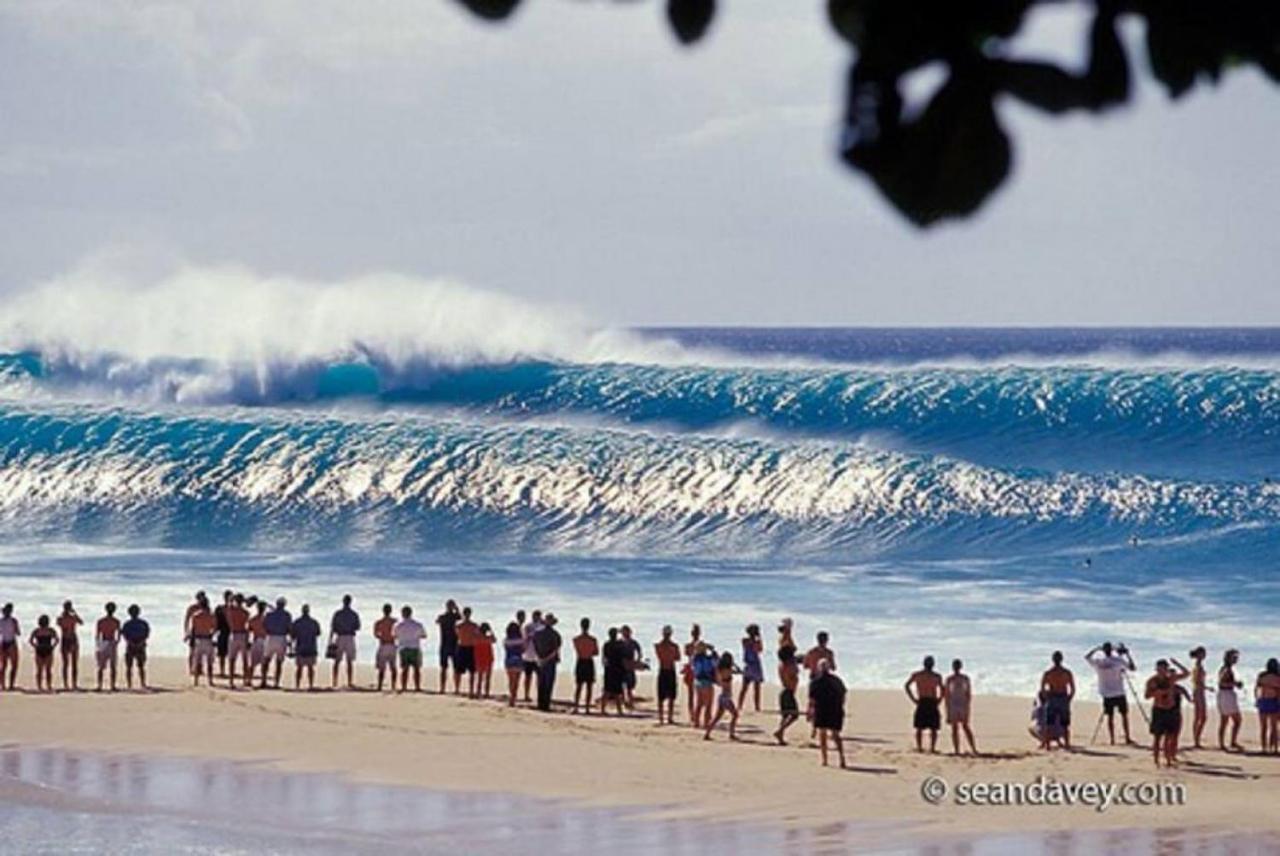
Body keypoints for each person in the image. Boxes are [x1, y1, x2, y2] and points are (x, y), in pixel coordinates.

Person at [1084, 641, 1136, 745]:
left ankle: (1112, 739)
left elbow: (1087, 657)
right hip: (1119, 692)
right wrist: (1127, 654)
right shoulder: (1118, 660)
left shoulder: (1099, 662)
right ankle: (1127, 737)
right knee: (1124, 716)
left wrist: (1096, 648)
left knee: (1110, 717)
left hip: (1107, 693)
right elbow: (1133, 668)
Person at [1145, 658, 1190, 768]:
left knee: (1169, 736)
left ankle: (1168, 759)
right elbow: (1146, 696)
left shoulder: (1171, 679)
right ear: (1157, 669)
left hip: (1170, 710)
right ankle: (1156, 761)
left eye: (1164, 669)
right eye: (1160, 669)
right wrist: (1157, 693)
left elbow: (1186, 673)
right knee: (1157, 737)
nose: (1162, 671)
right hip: (1159, 710)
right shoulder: (1152, 681)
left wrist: (1177, 663)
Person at [807, 660, 848, 768]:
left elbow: (812, 700)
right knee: (835, 735)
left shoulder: (815, 682)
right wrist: (841, 707)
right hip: (835, 709)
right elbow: (843, 696)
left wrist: (810, 712)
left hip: (822, 710)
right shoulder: (837, 680)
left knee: (823, 734)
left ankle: (825, 759)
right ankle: (841, 757)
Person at [904, 656, 944, 753]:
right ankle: (929, 748)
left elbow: (907, 686)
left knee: (924, 727)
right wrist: (940, 699)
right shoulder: (934, 676)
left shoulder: (920, 675)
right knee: (927, 727)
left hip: (925, 700)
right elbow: (943, 689)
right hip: (929, 700)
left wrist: (913, 699)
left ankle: (922, 747)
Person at [1039, 650, 1075, 750]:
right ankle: (1067, 744)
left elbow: (1042, 688)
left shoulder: (1048, 673)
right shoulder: (1067, 673)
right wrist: (1069, 698)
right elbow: (1072, 688)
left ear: (1053, 660)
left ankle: (1047, 745)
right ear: (1061, 660)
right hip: (1063, 697)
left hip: (1052, 697)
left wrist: (1046, 697)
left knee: (1049, 723)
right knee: (1065, 724)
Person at [774, 619, 801, 745]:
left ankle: (780, 735)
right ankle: (780, 731)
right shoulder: (789, 666)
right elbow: (788, 646)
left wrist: (788, 631)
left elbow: (786, 645)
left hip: (786, 692)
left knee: (785, 715)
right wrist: (788, 631)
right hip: (788, 692)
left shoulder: (783, 664)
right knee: (794, 715)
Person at [703, 651, 740, 741]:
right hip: (726, 697)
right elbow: (739, 671)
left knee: (717, 717)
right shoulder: (727, 670)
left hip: (723, 696)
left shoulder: (719, 670)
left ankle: (707, 733)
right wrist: (734, 665)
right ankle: (731, 733)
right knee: (735, 715)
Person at [945, 659, 978, 755]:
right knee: (955, 728)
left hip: (961, 704)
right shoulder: (950, 679)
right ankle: (957, 750)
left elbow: (968, 693)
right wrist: (947, 706)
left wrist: (967, 705)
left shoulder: (964, 678)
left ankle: (973, 748)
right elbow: (947, 694)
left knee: (965, 726)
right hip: (954, 704)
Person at [329, 594, 360, 689]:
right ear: (350, 602)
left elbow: (333, 627)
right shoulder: (354, 614)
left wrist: (330, 640)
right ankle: (349, 681)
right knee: (349, 661)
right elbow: (358, 627)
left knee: (337, 660)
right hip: (350, 637)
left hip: (340, 636)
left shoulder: (337, 613)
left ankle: (334, 681)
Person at [532, 612, 562, 712]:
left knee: (541, 683)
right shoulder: (555, 634)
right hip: (550, 661)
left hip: (540, 660)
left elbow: (535, 647)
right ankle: (546, 704)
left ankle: (540, 704)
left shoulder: (537, 634)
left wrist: (539, 658)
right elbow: (556, 650)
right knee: (548, 684)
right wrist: (546, 659)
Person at [394, 605, 426, 693]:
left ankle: (404, 687)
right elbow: (424, 635)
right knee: (416, 669)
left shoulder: (398, 625)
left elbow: (394, 635)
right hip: (415, 647)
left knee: (404, 668)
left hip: (403, 648)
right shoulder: (417, 624)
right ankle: (417, 687)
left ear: (402, 614)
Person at [1217, 648, 1244, 752]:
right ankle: (1228, 742)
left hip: (1226, 694)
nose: (1236, 659)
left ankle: (1226, 743)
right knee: (1234, 720)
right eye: (1234, 657)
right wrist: (1235, 684)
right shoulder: (1226, 669)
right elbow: (1221, 683)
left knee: (1227, 720)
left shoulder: (1227, 668)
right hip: (1226, 694)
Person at [654, 625, 681, 725]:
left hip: (666, 670)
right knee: (666, 696)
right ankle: (666, 717)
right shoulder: (670, 646)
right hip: (668, 670)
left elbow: (677, 657)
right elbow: (676, 657)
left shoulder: (661, 646)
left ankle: (665, 717)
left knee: (669, 696)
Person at [263, 597, 293, 689]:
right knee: (279, 662)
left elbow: (264, 626)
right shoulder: (287, 615)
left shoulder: (269, 614)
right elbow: (289, 629)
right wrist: (291, 642)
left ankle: (263, 681)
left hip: (271, 637)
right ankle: (276, 683)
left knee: (266, 660)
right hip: (281, 638)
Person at [291, 604, 322, 690]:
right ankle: (311, 685)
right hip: (311, 647)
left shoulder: (297, 622)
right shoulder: (314, 622)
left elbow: (293, 635)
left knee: (299, 668)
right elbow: (318, 633)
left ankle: (297, 685)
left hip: (300, 647)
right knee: (310, 668)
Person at [572, 617, 598, 714]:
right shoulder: (593, 640)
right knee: (589, 686)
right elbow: (596, 652)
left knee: (579, 686)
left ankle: (576, 706)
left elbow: (577, 650)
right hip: (588, 662)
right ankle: (587, 708)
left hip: (580, 661)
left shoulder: (576, 639)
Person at [600, 627, 628, 716]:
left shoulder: (607, 645)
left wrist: (605, 666)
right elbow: (623, 658)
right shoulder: (619, 645)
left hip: (609, 669)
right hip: (617, 669)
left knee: (607, 690)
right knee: (617, 692)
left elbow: (604, 658)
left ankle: (603, 709)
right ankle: (619, 710)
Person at [121, 604, 150, 690]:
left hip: (131, 645)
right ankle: (142, 683)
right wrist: (141, 642)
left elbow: (124, 635)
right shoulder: (143, 623)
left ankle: (129, 684)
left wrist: (131, 642)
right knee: (141, 666)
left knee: (129, 667)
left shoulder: (127, 624)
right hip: (140, 645)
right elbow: (146, 634)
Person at [224, 594, 250, 688]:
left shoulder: (231, 611)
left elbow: (228, 605)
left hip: (234, 634)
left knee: (232, 659)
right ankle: (245, 680)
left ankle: (231, 681)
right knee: (244, 659)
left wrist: (232, 598)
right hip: (242, 634)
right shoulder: (245, 612)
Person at [690, 641, 718, 729]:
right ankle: (706, 723)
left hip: (697, 681)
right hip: (707, 682)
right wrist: (713, 650)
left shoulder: (694, 659)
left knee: (699, 703)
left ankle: (696, 722)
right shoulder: (708, 659)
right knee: (708, 704)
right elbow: (716, 662)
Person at [737, 624, 764, 713]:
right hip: (751, 665)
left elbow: (759, 650)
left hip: (753, 665)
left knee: (754, 688)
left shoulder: (751, 641)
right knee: (746, 687)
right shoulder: (746, 640)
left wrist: (758, 639)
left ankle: (756, 706)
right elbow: (757, 648)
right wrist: (758, 638)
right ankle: (740, 705)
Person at [190, 599, 218, 686]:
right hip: (207, 639)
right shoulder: (211, 616)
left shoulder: (195, 616)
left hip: (198, 639)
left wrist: (192, 640)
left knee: (197, 660)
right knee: (209, 662)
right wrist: (211, 634)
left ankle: (196, 680)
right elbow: (215, 628)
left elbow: (193, 630)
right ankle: (210, 680)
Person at [1255, 658, 1280, 755]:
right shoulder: (1277, 677)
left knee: (1263, 727)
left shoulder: (1262, 676)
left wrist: (1257, 699)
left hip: (1263, 701)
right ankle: (1274, 748)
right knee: (1274, 727)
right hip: (1273, 701)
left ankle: (1264, 748)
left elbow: (1256, 689)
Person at [56, 601, 83, 691]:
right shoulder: (62, 618)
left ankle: (72, 684)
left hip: (71, 639)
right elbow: (60, 624)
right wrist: (73, 614)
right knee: (67, 663)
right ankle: (67, 684)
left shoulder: (69, 618)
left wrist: (74, 613)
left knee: (72, 663)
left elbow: (81, 622)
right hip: (67, 639)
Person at [95, 602, 121, 692]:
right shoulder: (116, 621)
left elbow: (98, 635)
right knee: (111, 666)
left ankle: (100, 685)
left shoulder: (101, 621)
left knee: (102, 666)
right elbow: (118, 634)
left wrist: (98, 644)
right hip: (111, 642)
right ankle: (112, 685)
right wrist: (117, 642)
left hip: (104, 642)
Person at [435, 600, 460, 695]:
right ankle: (456, 688)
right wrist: (457, 610)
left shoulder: (442, 617)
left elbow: (437, 621)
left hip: (445, 644)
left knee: (444, 668)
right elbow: (461, 618)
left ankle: (442, 688)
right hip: (453, 644)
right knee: (453, 667)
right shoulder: (455, 617)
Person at [29, 615, 58, 693]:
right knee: (40, 670)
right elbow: (31, 640)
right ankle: (40, 686)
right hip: (41, 651)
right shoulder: (37, 631)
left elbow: (57, 639)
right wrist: (36, 646)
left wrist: (52, 646)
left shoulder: (50, 630)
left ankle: (48, 685)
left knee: (47, 670)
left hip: (47, 650)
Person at [454, 606, 479, 697]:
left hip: (464, 647)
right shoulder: (473, 625)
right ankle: (469, 690)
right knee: (466, 671)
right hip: (467, 647)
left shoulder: (459, 625)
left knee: (463, 671)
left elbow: (457, 634)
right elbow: (476, 636)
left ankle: (459, 689)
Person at [373, 603, 398, 692]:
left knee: (382, 668)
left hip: (383, 644)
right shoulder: (395, 622)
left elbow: (376, 634)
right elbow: (398, 634)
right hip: (392, 644)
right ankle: (393, 686)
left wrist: (382, 636)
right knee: (393, 667)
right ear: (390, 611)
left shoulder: (379, 622)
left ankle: (379, 686)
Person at [1189, 646, 1209, 749]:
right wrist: (1206, 687)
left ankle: (1196, 739)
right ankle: (1196, 739)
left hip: (1199, 691)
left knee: (1199, 717)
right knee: (1201, 717)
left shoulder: (1199, 665)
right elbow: (1197, 681)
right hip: (1199, 692)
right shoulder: (1198, 666)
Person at [620, 625, 644, 709]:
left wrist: (637, 661)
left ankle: (629, 701)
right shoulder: (620, 642)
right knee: (622, 685)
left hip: (630, 665)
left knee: (630, 685)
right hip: (622, 665)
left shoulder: (633, 642)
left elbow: (640, 652)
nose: (624, 634)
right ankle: (625, 702)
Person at [682, 624, 703, 718]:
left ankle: (693, 714)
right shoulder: (697, 645)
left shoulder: (690, 645)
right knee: (694, 694)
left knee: (693, 694)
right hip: (694, 670)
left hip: (693, 669)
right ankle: (692, 713)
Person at [183, 590, 206, 675]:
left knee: (201, 652)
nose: (202, 599)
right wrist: (186, 632)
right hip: (193, 631)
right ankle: (191, 669)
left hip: (202, 631)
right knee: (192, 651)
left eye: (203, 597)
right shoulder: (192, 608)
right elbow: (187, 620)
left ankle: (200, 668)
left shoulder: (206, 607)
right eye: (200, 597)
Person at [519, 609, 540, 704]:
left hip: (537, 656)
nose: (535, 617)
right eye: (534, 615)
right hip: (528, 655)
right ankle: (526, 695)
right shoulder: (528, 626)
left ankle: (539, 694)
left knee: (539, 677)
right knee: (528, 677)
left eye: (537, 616)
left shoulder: (541, 626)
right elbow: (524, 639)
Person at [248, 599, 269, 688]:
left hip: (256, 640)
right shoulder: (267, 619)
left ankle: (249, 680)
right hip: (264, 641)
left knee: (253, 663)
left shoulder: (253, 619)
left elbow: (249, 630)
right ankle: (263, 681)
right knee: (264, 663)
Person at [502, 621, 525, 706]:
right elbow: (523, 650)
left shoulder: (506, 640)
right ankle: (513, 698)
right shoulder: (520, 640)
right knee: (516, 682)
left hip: (509, 660)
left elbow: (505, 649)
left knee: (511, 681)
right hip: (518, 660)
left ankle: (511, 698)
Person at [0, 603, 19, 691]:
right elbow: (18, 632)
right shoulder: (13, 621)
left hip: (4, 642)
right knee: (13, 665)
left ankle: (3, 684)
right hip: (11, 642)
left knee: (4, 665)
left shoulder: (1, 621)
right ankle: (10, 685)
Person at [214, 589, 232, 678]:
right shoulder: (220, 608)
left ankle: (225, 671)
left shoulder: (232, 609)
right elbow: (215, 620)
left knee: (229, 653)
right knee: (222, 653)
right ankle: (222, 671)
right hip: (223, 631)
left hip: (229, 632)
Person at [474, 622, 496, 699]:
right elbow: (494, 639)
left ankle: (479, 692)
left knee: (480, 677)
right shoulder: (487, 638)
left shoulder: (477, 637)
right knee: (487, 677)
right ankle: (486, 693)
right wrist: (491, 630)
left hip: (480, 658)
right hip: (487, 658)